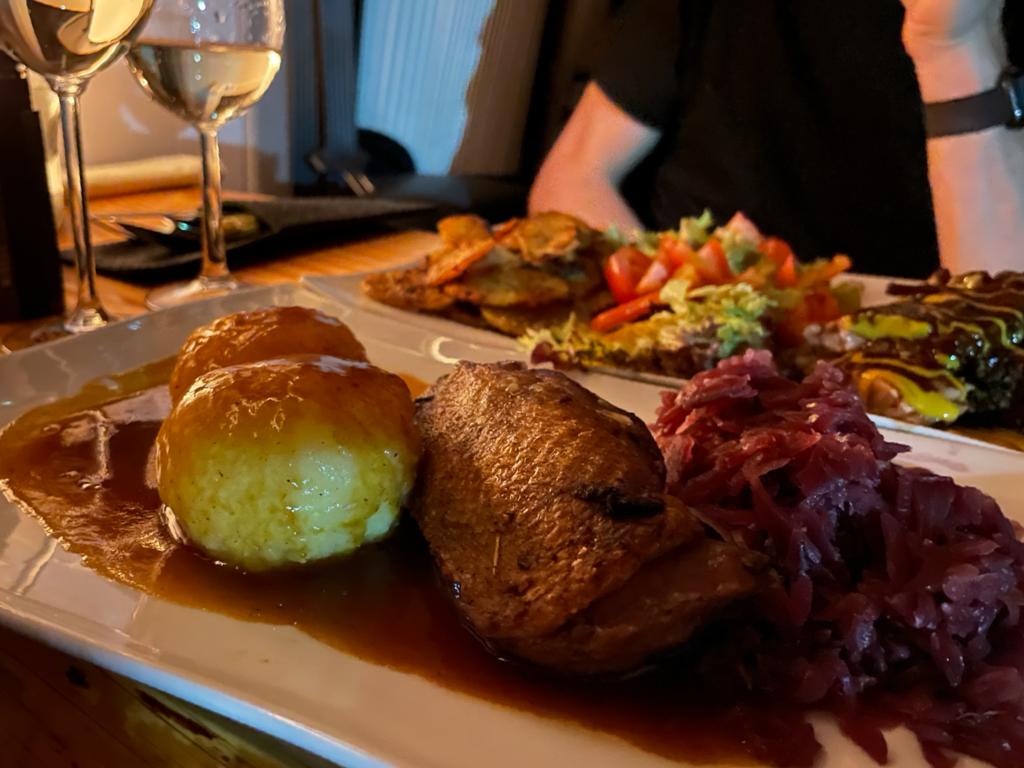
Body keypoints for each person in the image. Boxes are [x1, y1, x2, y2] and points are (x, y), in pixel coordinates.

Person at [529, 0, 1024, 278]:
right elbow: (574, 176)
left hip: (915, 392)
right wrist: (686, 313)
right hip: (693, 387)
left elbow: (1003, 321)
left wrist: (953, 46)